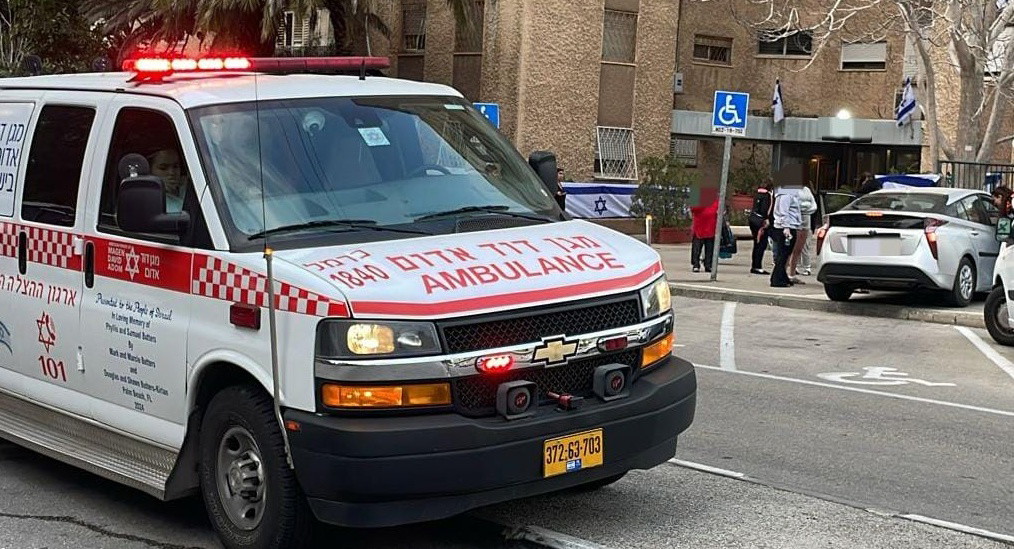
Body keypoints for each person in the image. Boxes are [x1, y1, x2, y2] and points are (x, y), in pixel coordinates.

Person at [770, 185, 802, 287]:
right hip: (785, 227)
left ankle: (782, 277)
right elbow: (784, 211)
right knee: (783, 254)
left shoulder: (789, 193)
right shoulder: (786, 194)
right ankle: (776, 279)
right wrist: (786, 227)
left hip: (789, 225)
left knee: (785, 253)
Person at [790, 183, 818, 278]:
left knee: (805, 246)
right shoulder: (791, 191)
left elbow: (813, 206)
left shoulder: (807, 190)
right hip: (796, 221)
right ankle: (794, 268)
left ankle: (806, 267)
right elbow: (794, 205)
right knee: (795, 247)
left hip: (807, 221)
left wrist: (806, 210)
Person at [748, 178, 774, 274]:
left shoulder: (757, 194)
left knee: (756, 243)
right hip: (761, 222)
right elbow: (765, 209)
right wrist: (767, 219)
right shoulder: (767, 196)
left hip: (753, 220)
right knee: (761, 244)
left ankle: (755, 265)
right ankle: (757, 266)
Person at [148, 148, 186, 212]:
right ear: (150, 171)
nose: (171, 172)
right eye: (163, 168)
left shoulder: (194, 186)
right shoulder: (148, 199)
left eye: (175, 166)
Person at [689, 198, 718, 272]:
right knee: (697, 247)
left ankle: (708, 265)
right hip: (700, 225)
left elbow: (718, 208)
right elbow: (693, 208)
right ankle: (696, 264)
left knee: (709, 247)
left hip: (710, 225)